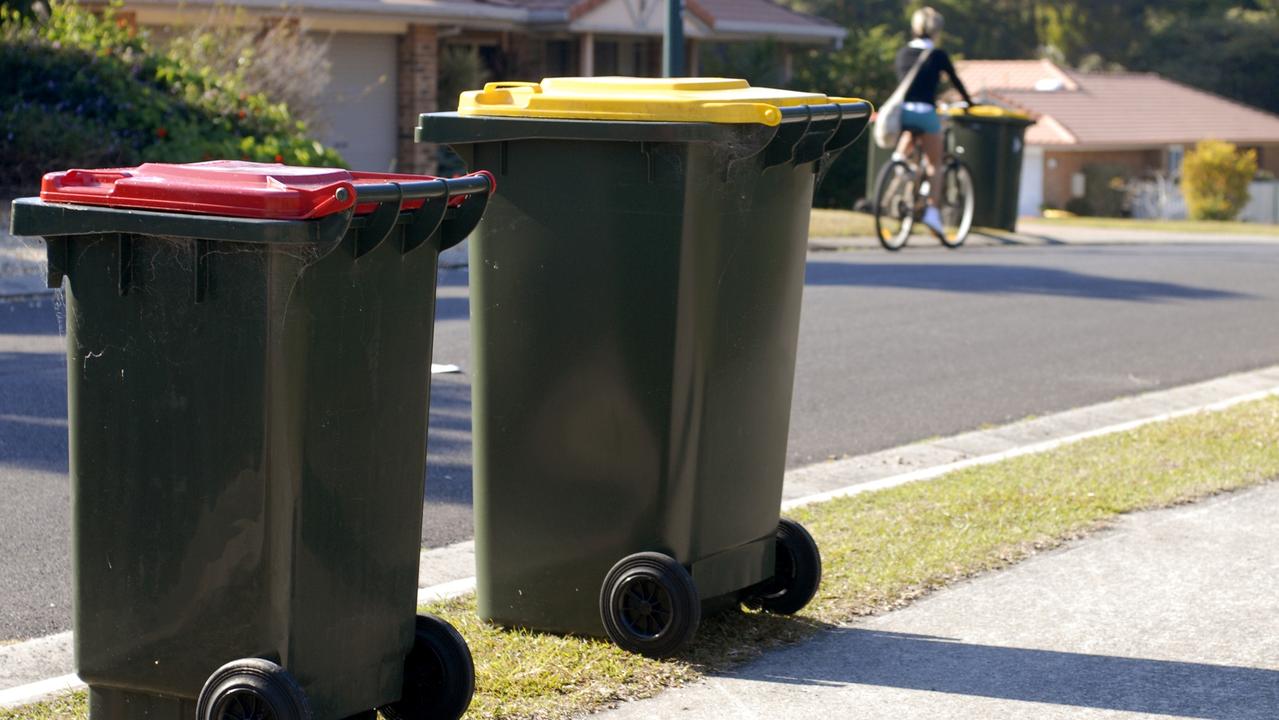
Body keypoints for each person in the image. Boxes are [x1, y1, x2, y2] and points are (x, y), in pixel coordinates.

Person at [894, 6, 974, 235]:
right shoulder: (937, 55)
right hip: (925, 111)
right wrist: (970, 103)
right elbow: (956, 81)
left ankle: (899, 162)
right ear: (937, 30)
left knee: (911, 133)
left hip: (903, 112)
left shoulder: (903, 53)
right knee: (934, 164)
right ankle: (931, 212)